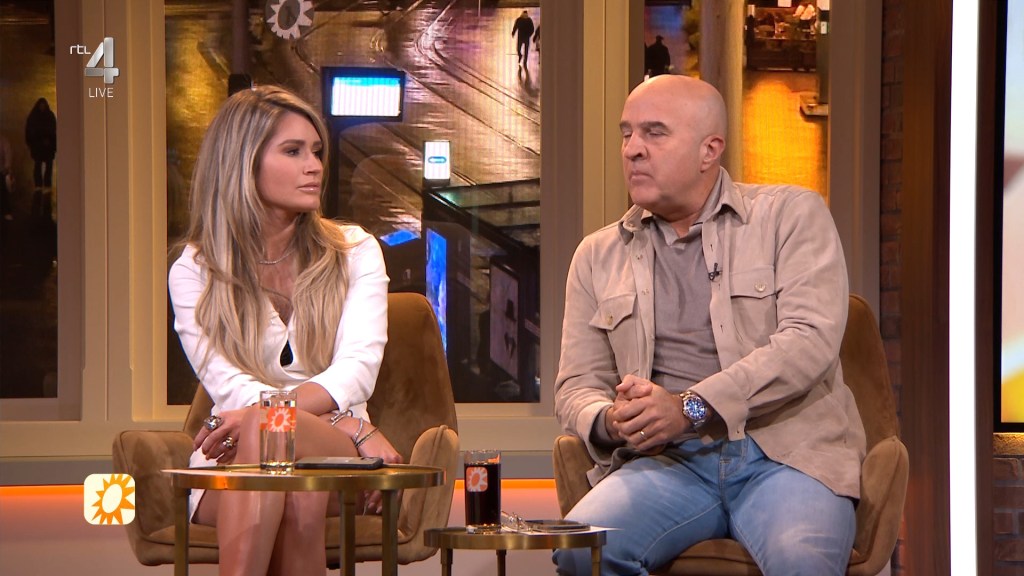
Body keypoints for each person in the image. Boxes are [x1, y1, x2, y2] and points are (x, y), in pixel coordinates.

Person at [552, 75, 865, 576]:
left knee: (800, 561)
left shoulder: (790, 216)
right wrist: (613, 420)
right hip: (666, 465)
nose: (632, 149)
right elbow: (576, 385)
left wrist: (690, 408)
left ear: (709, 150)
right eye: (627, 133)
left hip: (787, 456)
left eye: (654, 132)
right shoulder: (596, 255)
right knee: (580, 548)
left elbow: (808, 342)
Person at [168, 85, 402, 576]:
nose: (314, 166)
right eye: (293, 151)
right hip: (239, 458)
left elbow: (357, 371)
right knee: (286, 473)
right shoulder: (195, 270)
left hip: (333, 454)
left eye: (316, 151)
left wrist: (288, 420)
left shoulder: (355, 251)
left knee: (267, 427)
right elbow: (231, 389)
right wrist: (350, 425)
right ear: (243, 162)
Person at [24, 98, 56, 195]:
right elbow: (29, 131)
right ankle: (39, 184)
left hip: (46, 146)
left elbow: (53, 130)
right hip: (39, 146)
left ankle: (46, 184)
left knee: (47, 165)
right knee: (38, 165)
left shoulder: (42, 116)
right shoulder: (36, 117)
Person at [0, 133, 13, 221]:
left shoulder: (3, 140)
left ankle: (6, 211)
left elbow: (8, 153)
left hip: (1, 170)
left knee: (2, 191)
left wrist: (7, 167)